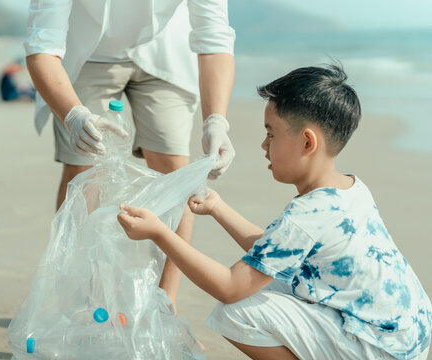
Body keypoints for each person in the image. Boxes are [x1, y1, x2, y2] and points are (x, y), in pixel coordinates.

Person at [117, 64, 432, 360]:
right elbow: (275, 249)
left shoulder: (306, 215)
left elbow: (229, 287)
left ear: (307, 142)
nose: (263, 145)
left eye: (271, 133)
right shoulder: (350, 188)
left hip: (380, 348)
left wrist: (160, 233)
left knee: (237, 313)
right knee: (271, 275)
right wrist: (218, 208)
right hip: (408, 334)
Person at [24, 0, 236, 312]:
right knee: (84, 166)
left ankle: (165, 306)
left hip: (166, 55)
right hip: (87, 54)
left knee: (175, 172)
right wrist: (74, 115)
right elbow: (42, 44)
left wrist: (216, 119)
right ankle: (81, 304)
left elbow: (214, 36)